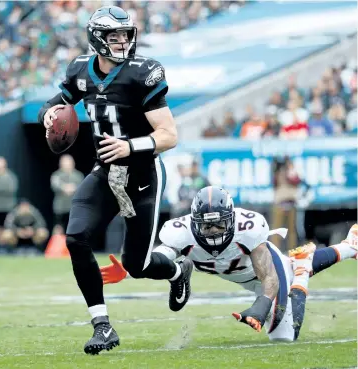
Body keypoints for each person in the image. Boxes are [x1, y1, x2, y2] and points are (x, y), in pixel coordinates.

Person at [38, 5, 192, 355]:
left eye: (126, 35)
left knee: (136, 264)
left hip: (142, 176)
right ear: (97, 39)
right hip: (106, 173)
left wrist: (129, 145)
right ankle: (102, 326)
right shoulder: (80, 70)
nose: (122, 41)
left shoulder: (143, 73)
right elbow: (54, 104)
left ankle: (176, 271)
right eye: (114, 36)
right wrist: (49, 115)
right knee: (76, 237)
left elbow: (169, 135)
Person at [101, 186, 358, 342]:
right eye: (206, 225)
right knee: (285, 315)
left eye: (219, 224)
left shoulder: (249, 228)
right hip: (243, 276)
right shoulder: (179, 232)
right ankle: (348, 248)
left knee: (286, 335)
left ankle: (301, 273)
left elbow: (269, 278)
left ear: (232, 219)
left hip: (265, 274)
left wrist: (260, 308)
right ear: (193, 222)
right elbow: (156, 260)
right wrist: (127, 271)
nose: (213, 232)